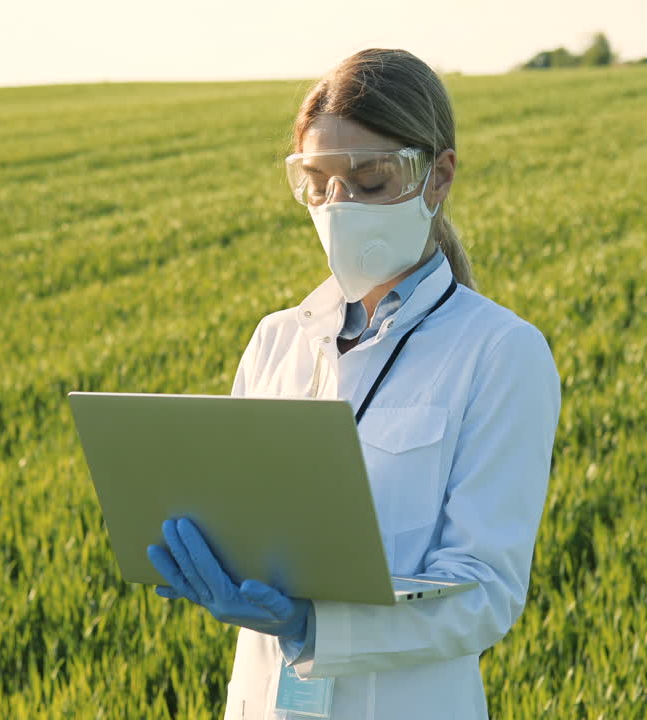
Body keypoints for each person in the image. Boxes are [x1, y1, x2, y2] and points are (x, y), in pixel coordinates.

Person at [147, 48, 561, 720]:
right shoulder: (277, 340)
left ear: (439, 176)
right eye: (319, 182)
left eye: (371, 182)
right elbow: (241, 520)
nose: (340, 207)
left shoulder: (500, 353)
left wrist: (314, 628)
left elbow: (485, 593)